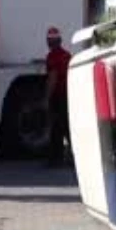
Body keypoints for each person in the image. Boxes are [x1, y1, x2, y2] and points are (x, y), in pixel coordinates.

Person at [44, 26, 72, 167]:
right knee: (66, 127)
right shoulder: (67, 55)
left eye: (49, 40)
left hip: (58, 96)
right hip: (68, 95)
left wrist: (47, 98)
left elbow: (53, 78)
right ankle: (72, 156)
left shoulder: (52, 57)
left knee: (56, 127)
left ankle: (55, 159)